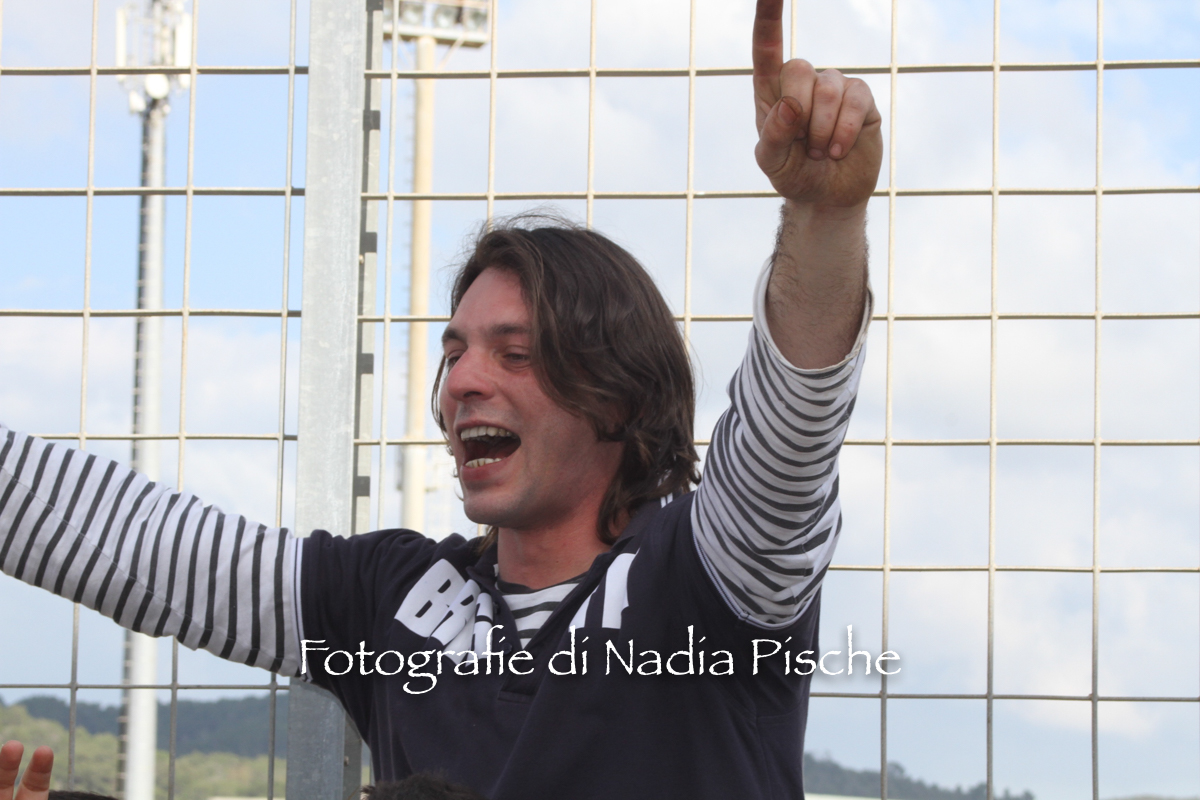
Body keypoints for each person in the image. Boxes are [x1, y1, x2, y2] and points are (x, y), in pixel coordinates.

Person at [0, 1, 881, 797]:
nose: (461, 381)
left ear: (620, 397)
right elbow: (147, 547)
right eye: (453, 352)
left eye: (515, 353)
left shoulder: (709, 575)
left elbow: (787, 436)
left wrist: (823, 219)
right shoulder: (390, 594)